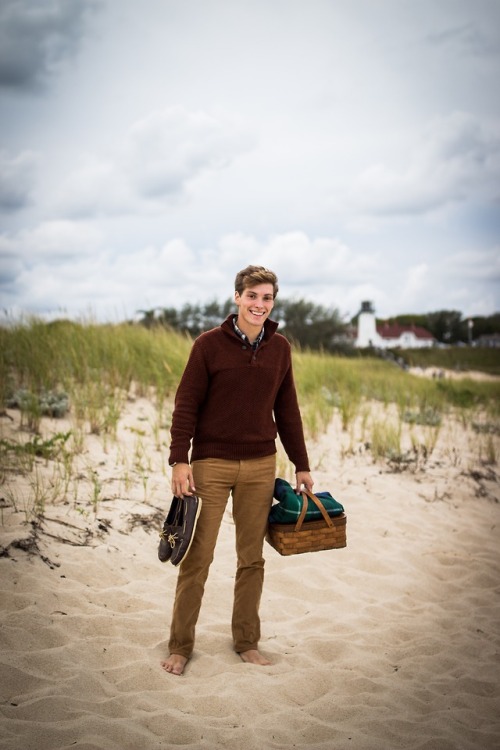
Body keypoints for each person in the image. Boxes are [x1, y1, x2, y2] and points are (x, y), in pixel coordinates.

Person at [161, 265, 314, 676]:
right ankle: (180, 646)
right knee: (198, 556)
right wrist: (180, 459)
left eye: (267, 298)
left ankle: (246, 641)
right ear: (237, 298)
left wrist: (301, 464)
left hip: (261, 465)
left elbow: (287, 411)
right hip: (210, 465)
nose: (259, 305)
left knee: (252, 559)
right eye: (252, 296)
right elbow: (186, 404)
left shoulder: (280, 349)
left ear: (273, 302)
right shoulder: (208, 345)